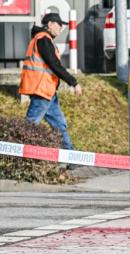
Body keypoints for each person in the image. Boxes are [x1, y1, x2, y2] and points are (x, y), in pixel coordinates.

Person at [19, 12, 81, 150]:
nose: (61, 28)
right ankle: (18, 156)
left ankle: (70, 158)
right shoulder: (43, 39)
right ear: (50, 24)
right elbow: (54, 64)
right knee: (30, 125)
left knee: (59, 125)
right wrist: (73, 82)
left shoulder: (43, 39)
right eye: (59, 25)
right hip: (41, 90)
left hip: (48, 91)